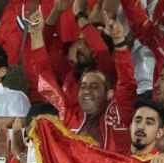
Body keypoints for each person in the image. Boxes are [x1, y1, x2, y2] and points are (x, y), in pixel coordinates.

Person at [28, 17, 136, 154]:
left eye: (94, 86)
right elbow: (45, 79)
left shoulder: (121, 113)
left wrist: (120, 42)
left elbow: (127, 82)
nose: (86, 91)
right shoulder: (69, 113)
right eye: (83, 86)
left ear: (109, 93)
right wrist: (36, 34)